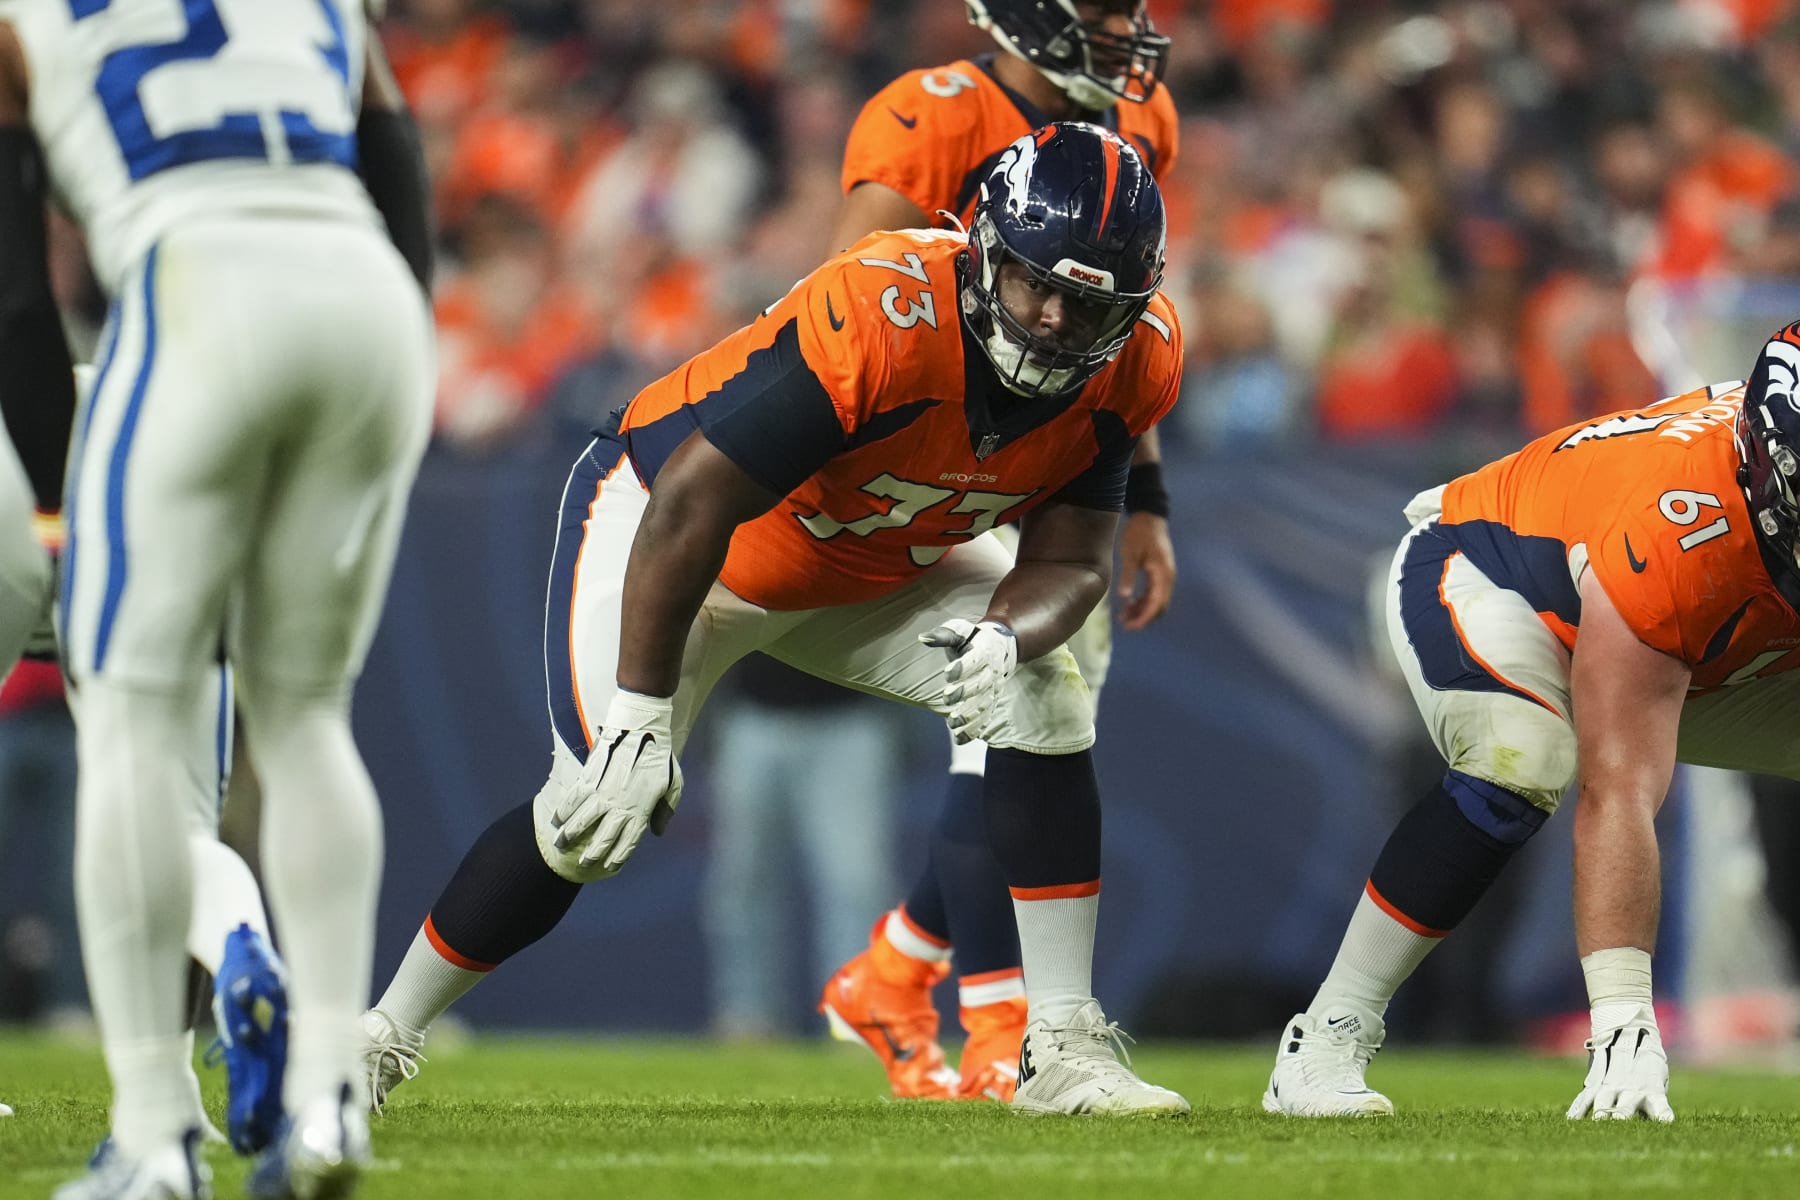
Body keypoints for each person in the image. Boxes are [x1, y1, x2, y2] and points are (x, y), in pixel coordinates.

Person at [363, 122, 1190, 1117]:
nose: (1054, 319)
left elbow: (1066, 561)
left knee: (1046, 694)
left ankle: (1058, 1046)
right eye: (1034, 284)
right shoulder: (887, 311)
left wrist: (1007, 632)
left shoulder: (1136, 362)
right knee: (593, 811)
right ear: (984, 251)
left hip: (869, 558)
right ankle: (378, 1038)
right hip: (677, 535)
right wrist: (638, 709)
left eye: (1087, 301)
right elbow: (693, 502)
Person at [0, 2, 437, 1195]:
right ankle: (330, 1106)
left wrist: (50, 501)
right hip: (366, 304)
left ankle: (153, 1137)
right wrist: (410, 337)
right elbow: (397, 158)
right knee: (305, 719)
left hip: (198, 288)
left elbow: (18, 303)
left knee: (131, 725)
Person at [1264, 323, 1800, 1122]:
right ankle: (1329, 1036)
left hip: (1710, 621)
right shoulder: (1679, 531)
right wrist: (1624, 1022)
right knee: (1523, 759)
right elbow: (1618, 791)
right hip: (1495, 573)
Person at [821, 0, 1181, 1103]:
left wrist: (1148, 494)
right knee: (1009, 737)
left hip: (1059, 471)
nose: (1129, 33)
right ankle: (993, 1024)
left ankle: (897, 973)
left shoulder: (1142, 118)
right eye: (1104, 11)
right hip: (941, 462)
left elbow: (1119, 319)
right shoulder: (931, 113)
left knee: (1027, 747)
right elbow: (842, 315)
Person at [701, 658, 903, 1041]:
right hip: (751, 715)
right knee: (743, 881)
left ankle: (856, 1018)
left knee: (857, 882)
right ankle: (748, 1017)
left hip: (851, 717)